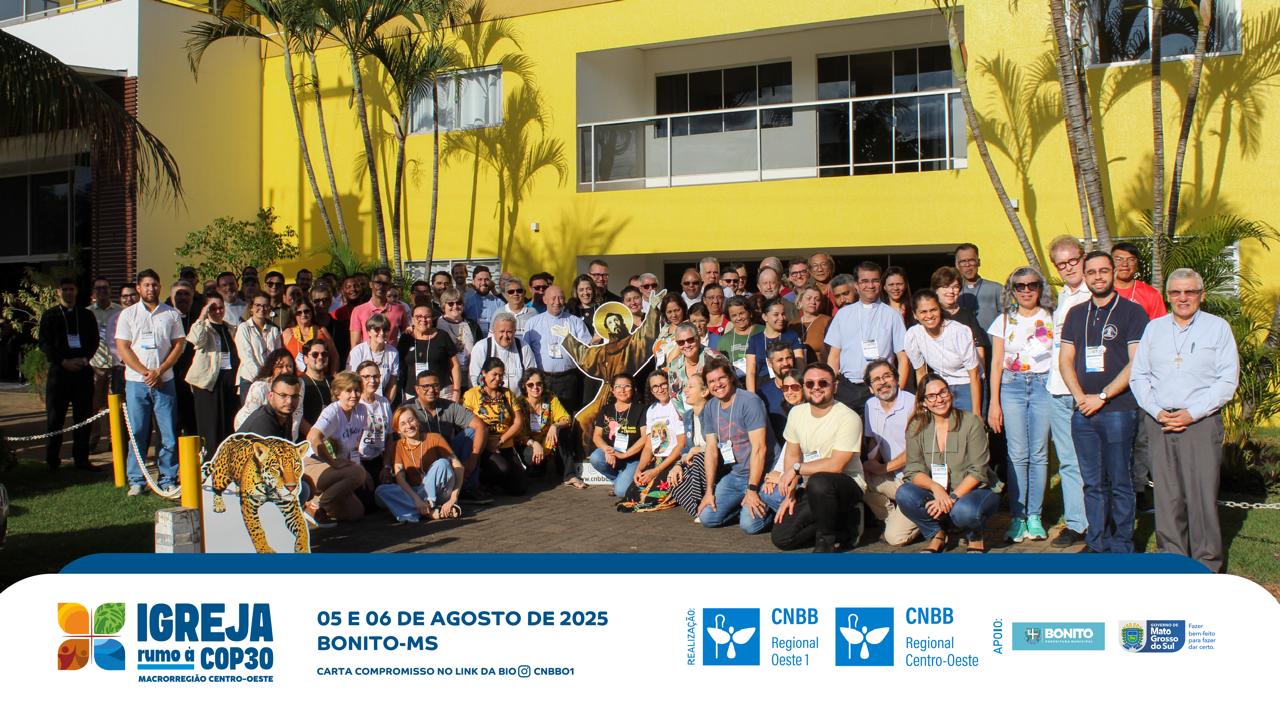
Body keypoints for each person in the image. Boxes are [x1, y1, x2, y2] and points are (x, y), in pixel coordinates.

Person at [1130, 268, 1239, 572]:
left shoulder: (1218, 328)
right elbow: (1139, 376)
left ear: (1201, 295)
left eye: (1190, 291)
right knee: (1167, 497)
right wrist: (1156, 411)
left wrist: (1192, 413)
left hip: (1200, 422)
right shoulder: (1154, 329)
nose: (1183, 298)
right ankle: (1173, 562)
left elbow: (1227, 380)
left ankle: (1207, 564)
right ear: (1168, 296)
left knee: (1202, 496)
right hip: (1160, 421)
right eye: (1176, 292)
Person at [1059, 251, 1149, 554]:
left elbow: (1136, 363)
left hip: (1118, 409)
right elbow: (1066, 360)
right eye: (1092, 272)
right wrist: (1080, 397)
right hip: (1083, 410)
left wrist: (1102, 396)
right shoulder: (1076, 314)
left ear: (1113, 273)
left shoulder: (1133, 312)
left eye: (1103, 271)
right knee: (1092, 482)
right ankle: (1097, 542)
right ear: (1085, 276)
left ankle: (1122, 544)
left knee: (1120, 481)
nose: (1098, 277)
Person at [987, 267, 1055, 543]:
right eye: (1020, 286)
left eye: (1032, 285)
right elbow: (995, 363)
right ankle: (1018, 517)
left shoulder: (1052, 317)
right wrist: (994, 403)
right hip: (1012, 386)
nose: (1026, 290)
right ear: (1012, 290)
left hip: (1043, 386)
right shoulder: (1004, 320)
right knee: (1016, 454)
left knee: (1038, 453)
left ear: (1040, 288)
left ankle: (1035, 516)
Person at [770, 363, 867, 552]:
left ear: (835, 387)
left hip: (846, 484)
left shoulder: (849, 417)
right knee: (782, 538)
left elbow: (836, 465)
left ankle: (826, 542)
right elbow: (792, 455)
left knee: (820, 481)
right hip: (813, 488)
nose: (816, 387)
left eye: (823, 383)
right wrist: (790, 494)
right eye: (810, 383)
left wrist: (797, 469)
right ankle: (846, 522)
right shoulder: (796, 413)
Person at [898, 373, 999, 553]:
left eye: (943, 392)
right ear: (923, 402)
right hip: (938, 492)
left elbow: (978, 471)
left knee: (964, 511)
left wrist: (951, 498)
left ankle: (974, 535)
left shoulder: (971, 422)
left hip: (974, 490)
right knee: (904, 494)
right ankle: (936, 533)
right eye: (931, 396)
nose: (939, 399)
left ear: (950, 393)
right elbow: (913, 469)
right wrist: (935, 488)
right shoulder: (916, 426)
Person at [115, 269, 186, 496]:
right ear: (138, 288)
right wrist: (146, 372)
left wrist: (160, 371)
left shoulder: (171, 314)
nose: (151, 289)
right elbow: (123, 347)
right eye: (146, 285)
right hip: (137, 382)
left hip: (165, 381)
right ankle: (137, 479)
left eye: (154, 284)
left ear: (160, 286)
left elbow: (179, 344)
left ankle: (168, 478)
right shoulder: (128, 315)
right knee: (137, 432)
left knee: (168, 433)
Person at [1045, 235, 1093, 548]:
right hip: (1057, 389)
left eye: (1073, 260)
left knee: (1092, 461)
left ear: (1083, 257)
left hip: (1083, 391)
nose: (1068, 268)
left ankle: (1097, 522)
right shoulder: (1064, 294)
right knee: (1068, 461)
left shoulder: (1094, 294)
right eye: (1061, 264)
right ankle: (1077, 523)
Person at [698, 358, 776, 532]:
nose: (717, 384)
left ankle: (770, 510)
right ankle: (742, 507)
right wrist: (709, 491)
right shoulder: (710, 407)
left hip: (762, 474)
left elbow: (759, 448)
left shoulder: (749, 401)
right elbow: (711, 450)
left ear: (731, 377)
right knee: (706, 517)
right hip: (736, 475)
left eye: (721, 378)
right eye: (711, 381)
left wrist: (752, 489)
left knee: (750, 525)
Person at [825, 261, 909, 413]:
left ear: (880, 283)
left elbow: (903, 358)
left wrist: (898, 393)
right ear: (856, 285)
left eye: (875, 280)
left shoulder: (892, 315)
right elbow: (834, 356)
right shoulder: (843, 315)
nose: (870, 285)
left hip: (881, 387)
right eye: (864, 281)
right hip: (847, 388)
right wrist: (831, 386)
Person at [39, 277, 101, 472]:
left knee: (83, 417)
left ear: (76, 291)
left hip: (82, 371)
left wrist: (84, 359)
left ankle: (81, 459)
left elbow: (94, 340)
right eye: (64, 289)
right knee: (55, 418)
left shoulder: (86, 315)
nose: (68, 292)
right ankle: (52, 460)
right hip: (59, 373)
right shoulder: (50, 315)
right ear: (58, 292)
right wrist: (63, 361)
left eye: (71, 289)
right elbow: (44, 343)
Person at [861, 360, 919, 546]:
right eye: (876, 379)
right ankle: (893, 518)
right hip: (892, 476)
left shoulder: (913, 403)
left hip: (916, 480)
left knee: (895, 538)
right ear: (870, 388)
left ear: (896, 379)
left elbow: (916, 451)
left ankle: (924, 517)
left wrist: (881, 468)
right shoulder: (870, 405)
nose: (882, 382)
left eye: (887, 376)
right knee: (858, 482)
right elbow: (874, 440)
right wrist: (871, 464)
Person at [302, 371, 370, 525]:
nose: (354, 395)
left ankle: (316, 502)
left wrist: (357, 466)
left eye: (357, 390)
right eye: (348, 390)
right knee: (357, 473)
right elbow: (312, 437)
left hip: (338, 468)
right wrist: (333, 463)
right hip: (313, 464)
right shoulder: (332, 412)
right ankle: (316, 506)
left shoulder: (361, 411)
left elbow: (355, 445)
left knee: (355, 513)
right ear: (338, 393)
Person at [375, 407, 464, 522]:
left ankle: (424, 506)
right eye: (403, 424)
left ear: (417, 420)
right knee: (381, 491)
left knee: (442, 463)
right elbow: (400, 478)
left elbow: (459, 467)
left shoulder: (435, 438)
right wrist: (417, 499)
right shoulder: (397, 446)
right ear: (398, 430)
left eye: (411, 420)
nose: (409, 426)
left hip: (441, 491)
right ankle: (430, 512)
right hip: (416, 493)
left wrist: (453, 499)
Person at [904, 289, 981, 414]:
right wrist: (923, 403)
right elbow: (921, 372)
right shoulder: (913, 335)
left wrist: (976, 412)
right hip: (940, 386)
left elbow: (975, 374)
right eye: (923, 312)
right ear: (915, 315)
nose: (929, 316)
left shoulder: (959, 331)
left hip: (968, 384)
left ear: (940, 309)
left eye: (933, 310)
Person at [462, 357, 529, 496]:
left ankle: (498, 482)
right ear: (484, 373)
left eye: (501, 375)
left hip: (504, 443)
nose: (498, 378)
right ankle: (483, 482)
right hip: (483, 445)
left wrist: (501, 440)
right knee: (502, 468)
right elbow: (465, 423)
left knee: (520, 487)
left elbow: (518, 422)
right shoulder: (471, 395)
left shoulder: (507, 394)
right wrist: (487, 442)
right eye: (494, 374)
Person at [524, 285, 593, 415]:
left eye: (561, 298)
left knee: (567, 415)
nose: (557, 302)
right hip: (543, 379)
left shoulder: (575, 321)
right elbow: (526, 351)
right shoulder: (532, 323)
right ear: (545, 300)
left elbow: (586, 349)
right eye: (553, 298)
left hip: (568, 378)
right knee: (545, 415)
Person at [185, 295, 239, 452]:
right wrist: (202, 316)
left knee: (228, 424)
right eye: (213, 308)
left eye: (221, 307)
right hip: (208, 383)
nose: (218, 311)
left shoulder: (230, 328)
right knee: (210, 427)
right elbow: (195, 339)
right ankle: (209, 459)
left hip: (228, 383)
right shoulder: (204, 328)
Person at [625, 372, 687, 507]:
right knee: (631, 496)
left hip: (673, 460)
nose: (660, 389)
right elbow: (648, 446)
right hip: (657, 460)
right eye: (655, 387)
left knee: (650, 500)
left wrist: (656, 471)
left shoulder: (678, 406)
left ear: (669, 384)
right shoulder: (651, 410)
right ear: (651, 390)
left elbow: (681, 445)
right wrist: (639, 469)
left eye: (663, 384)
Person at [588, 374, 647, 497]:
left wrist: (625, 454)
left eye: (627, 386)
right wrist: (607, 450)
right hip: (613, 454)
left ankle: (622, 482)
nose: (622, 390)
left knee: (621, 492)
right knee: (596, 457)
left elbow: (645, 437)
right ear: (612, 390)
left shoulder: (641, 409)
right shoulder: (606, 410)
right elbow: (596, 436)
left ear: (633, 389)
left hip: (633, 458)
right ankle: (619, 480)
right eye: (618, 387)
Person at [517, 368, 577, 485]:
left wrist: (555, 426)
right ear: (524, 386)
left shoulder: (550, 399)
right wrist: (534, 444)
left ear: (543, 384)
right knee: (530, 456)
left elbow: (566, 418)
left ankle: (570, 475)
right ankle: (537, 466)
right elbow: (519, 434)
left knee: (563, 431)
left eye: (539, 383)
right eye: (530, 384)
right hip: (528, 444)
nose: (535, 387)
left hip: (548, 442)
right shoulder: (519, 403)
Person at [397, 302, 461, 402]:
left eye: (427, 316)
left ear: (432, 319)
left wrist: (456, 390)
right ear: (412, 319)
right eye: (418, 316)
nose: (423, 320)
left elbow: (455, 365)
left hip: (441, 392)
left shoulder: (442, 336)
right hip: (413, 394)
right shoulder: (406, 338)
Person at [234, 349, 303, 436]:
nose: (285, 370)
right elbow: (252, 417)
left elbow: (297, 414)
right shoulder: (260, 387)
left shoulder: (298, 384)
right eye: (280, 366)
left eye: (289, 366)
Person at [931, 266, 990, 367]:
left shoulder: (968, 317)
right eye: (946, 286)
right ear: (936, 290)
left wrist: (981, 372)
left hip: (966, 372)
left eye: (955, 287)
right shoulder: (929, 316)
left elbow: (978, 347)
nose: (951, 291)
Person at [87, 277, 121, 450]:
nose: (102, 291)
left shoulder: (120, 311)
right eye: (98, 288)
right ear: (94, 292)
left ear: (110, 290)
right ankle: (93, 440)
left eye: (105, 288)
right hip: (95, 365)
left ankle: (113, 441)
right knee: (94, 405)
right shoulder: (87, 313)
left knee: (114, 405)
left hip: (116, 365)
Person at [745, 298, 804, 393]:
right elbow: (750, 371)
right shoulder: (755, 340)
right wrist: (752, 396)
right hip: (763, 387)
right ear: (765, 317)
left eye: (783, 314)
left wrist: (801, 386)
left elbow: (800, 362)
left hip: (789, 385)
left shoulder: (791, 335)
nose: (781, 318)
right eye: (776, 315)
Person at [469, 312, 537, 390]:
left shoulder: (523, 347)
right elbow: (474, 379)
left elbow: (532, 376)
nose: (505, 336)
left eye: (509, 332)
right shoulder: (481, 347)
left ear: (515, 331)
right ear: (493, 331)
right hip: (487, 397)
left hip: (518, 397)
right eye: (501, 331)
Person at [353, 360, 394, 489]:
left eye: (376, 376)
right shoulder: (354, 403)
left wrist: (386, 466)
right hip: (356, 461)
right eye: (366, 377)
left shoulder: (384, 402)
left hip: (377, 459)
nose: (372, 380)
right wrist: (360, 469)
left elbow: (389, 437)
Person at [235, 293, 283, 401]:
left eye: (265, 306)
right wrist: (261, 378)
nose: (262, 308)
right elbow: (247, 357)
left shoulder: (274, 330)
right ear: (251, 308)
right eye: (258, 305)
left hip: (270, 381)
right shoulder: (244, 328)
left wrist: (272, 377)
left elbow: (278, 355)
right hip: (250, 380)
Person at [667, 321, 720, 416]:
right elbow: (675, 398)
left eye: (690, 340)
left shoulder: (715, 359)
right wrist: (688, 419)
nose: (686, 345)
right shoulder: (673, 367)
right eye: (681, 342)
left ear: (698, 339)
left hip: (717, 415)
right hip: (689, 418)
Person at [437, 287, 482, 395]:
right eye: (450, 303)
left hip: (469, 379)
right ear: (443, 306)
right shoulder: (435, 324)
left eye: (459, 303)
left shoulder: (473, 325)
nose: (455, 306)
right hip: (445, 381)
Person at [347, 314, 400, 402]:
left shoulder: (393, 353)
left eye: (385, 329)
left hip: (382, 400)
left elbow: (393, 384)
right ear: (368, 332)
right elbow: (351, 381)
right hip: (360, 400)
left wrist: (386, 404)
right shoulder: (357, 351)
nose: (381, 333)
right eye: (377, 329)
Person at [350, 269, 408, 348]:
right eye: (378, 283)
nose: (381, 286)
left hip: (391, 354)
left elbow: (406, 336)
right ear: (371, 284)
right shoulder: (358, 311)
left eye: (385, 284)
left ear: (389, 287)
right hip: (366, 355)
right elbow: (355, 343)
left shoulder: (399, 309)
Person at [238, 373, 303, 442]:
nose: (289, 401)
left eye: (294, 396)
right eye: (283, 395)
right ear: (270, 396)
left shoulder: (286, 416)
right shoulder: (263, 422)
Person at [754, 341, 799, 441]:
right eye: (780, 360)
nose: (786, 363)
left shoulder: (805, 386)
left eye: (788, 358)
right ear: (770, 363)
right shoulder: (763, 394)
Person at [1112, 242, 1167, 320]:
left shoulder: (1151, 295)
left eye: (1131, 259)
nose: (1124, 264)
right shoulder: (1102, 292)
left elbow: (1159, 325)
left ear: (1137, 264)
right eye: (1119, 259)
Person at [283, 298, 339, 376]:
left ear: (312, 312)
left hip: (321, 378)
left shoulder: (321, 331)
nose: (303, 314)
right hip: (295, 380)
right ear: (294, 314)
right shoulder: (287, 333)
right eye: (299, 312)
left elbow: (334, 356)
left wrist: (334, 376)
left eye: (306, 311)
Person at [955, 243, 1003, 329]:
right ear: (957, 265)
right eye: (963, 261)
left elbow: (1008, 319)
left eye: (971, 260)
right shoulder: (953, 292)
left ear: (978, 262)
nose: (967, 265)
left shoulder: (996, 289)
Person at [712, 296, 761, 380]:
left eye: (742, 313)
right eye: (734, 315)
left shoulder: (763, 331)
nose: (738, 318)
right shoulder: (724, 340)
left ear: (750, 313)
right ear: (729, 318)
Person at [298, 338, 334, 429]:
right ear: (305, 359)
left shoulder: (333, 382)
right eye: (315, 354)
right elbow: (298, 417)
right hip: (309, 435)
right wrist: (315, 435)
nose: (320, 357)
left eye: (324, 354)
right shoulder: (300, 383)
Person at [791, 286, 831, 364]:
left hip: (820, 367)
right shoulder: (792, 324)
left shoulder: (827, 321)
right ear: (800, 301)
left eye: (817, 299)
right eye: (809, 298)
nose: (813, 302)